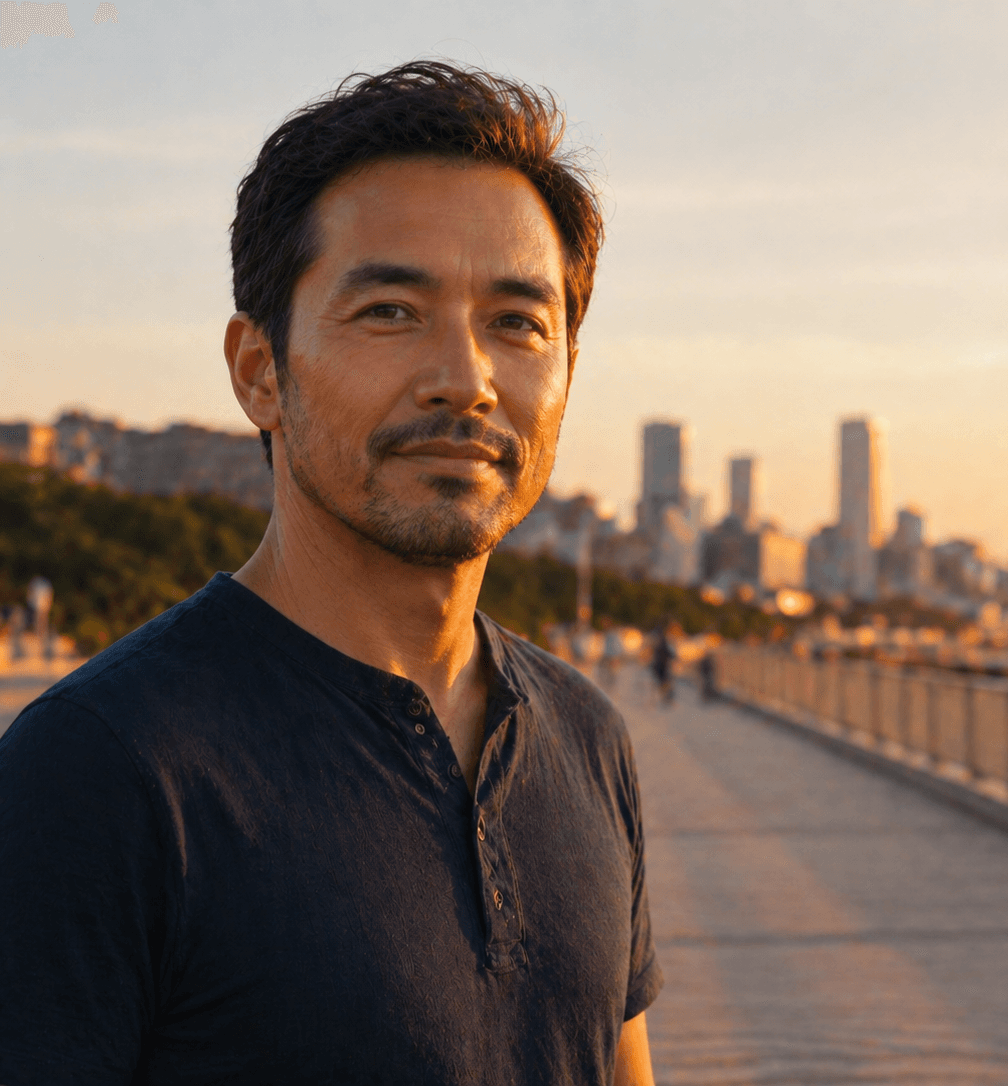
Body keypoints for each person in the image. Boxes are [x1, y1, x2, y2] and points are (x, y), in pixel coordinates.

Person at [0, 62, 661, 1086]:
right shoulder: (98, 772)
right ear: (260, 372)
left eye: (517, 323)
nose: (465, 379)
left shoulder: (585, 738)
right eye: (391, 311)